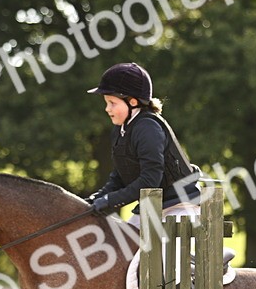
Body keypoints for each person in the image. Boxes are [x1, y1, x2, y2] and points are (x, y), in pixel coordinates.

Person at [84, 62, 201, 224]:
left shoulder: (147, 128)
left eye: (112, 103)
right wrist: (95, 199)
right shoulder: (121, 129)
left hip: (179, 205)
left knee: (150, 250)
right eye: (106, 103)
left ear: (132, 102)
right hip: (151, 205)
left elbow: (150, 181)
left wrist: (110, 200)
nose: (107, 109)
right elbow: (119, 178)